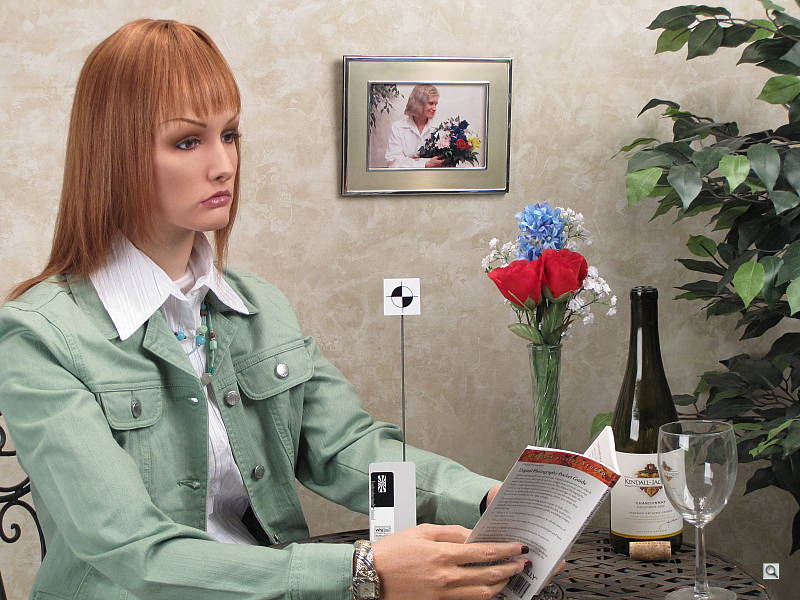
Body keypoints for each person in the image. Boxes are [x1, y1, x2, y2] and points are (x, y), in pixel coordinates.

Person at [0, 20, 529, 600]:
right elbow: (132, 549)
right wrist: (364, 574)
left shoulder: (257, 304)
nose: (224, 164)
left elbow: (346, 449)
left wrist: (485, 498)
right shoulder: (39, 337)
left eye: (229, 135)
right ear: (113, 154)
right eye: (187, 141)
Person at [384, 84, 446, 169]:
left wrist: (412, 160)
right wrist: (425, 164)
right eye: (431, 103)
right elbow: (393, 163)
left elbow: (443, 161)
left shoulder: (439, 128)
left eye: (436, 104)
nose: (434, 108)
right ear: (419, 104)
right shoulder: (398, 127)